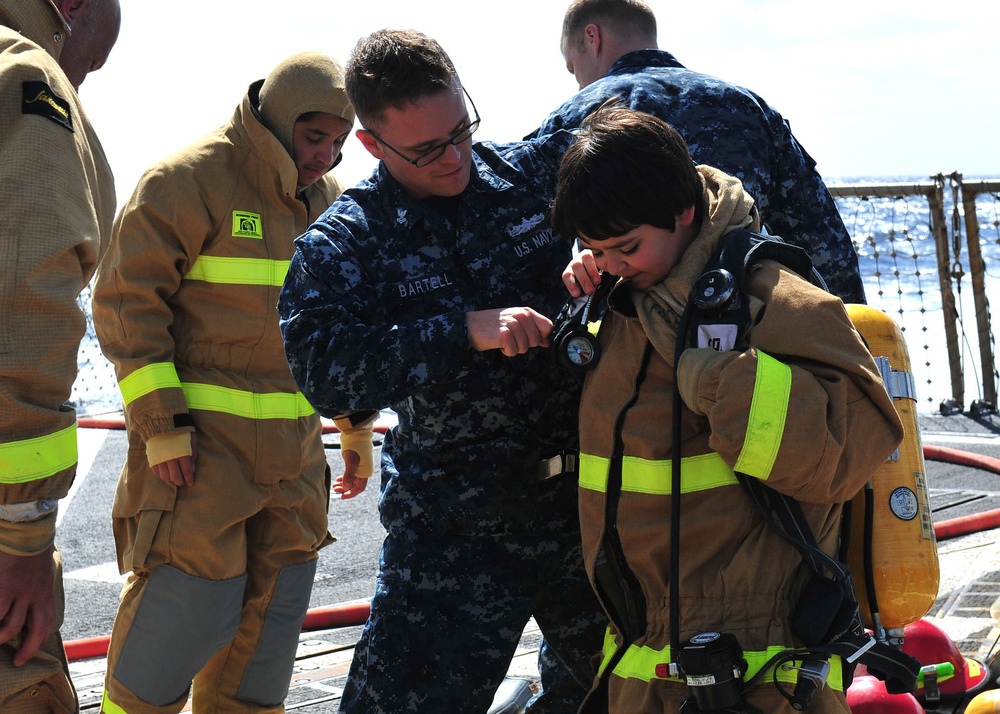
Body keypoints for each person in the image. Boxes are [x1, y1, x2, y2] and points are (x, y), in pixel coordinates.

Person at [278, 28, 607, 714]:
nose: (455, 157)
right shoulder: (347, 242)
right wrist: (460, 332)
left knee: (638, 698)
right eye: (427, 149)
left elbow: (662, 218)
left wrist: (599, 264)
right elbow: (326, 374)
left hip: (586, 519)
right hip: (454, 536)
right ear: (371, 144)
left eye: (462, 129)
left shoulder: (533, 181)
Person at [551, 104, 905, 713]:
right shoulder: (621, 304)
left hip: (760, 674)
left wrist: (720, 383)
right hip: (643, 667)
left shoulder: (766, 294)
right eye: (595, 248)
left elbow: (855, 445)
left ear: (684, 212)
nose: (611, 264)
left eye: (626, 246)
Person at [91, 51, 372, 714]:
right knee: (182, 614)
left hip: (295, 466)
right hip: (198, 459)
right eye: (313, 139)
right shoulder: (189, 181)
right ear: (276, 118)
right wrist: (163, 431)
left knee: (266, 641)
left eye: (337, 143)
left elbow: (346, 321)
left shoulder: (331, 204)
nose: (325, 158)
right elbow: (128, 304)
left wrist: (353, 426)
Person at [532, 0, 866, 306]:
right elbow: (823, 246)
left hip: (629, 344)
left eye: (573, 68)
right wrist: (853, 335)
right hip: (748, 333)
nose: (578, 83)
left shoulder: (571, 123)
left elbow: (537, 258)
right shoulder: (747, 108)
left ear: (593, 37)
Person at [0, 0, 120, 710]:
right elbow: (22, 307)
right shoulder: (25, 76)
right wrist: (20, 538)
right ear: (70, 8)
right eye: (86, 59)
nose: (77, 80)